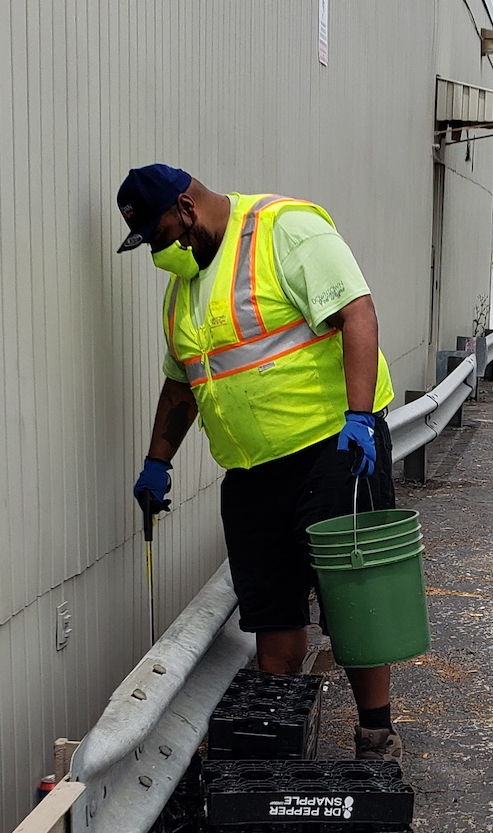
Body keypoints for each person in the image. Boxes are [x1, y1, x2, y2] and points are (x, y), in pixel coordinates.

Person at [115, 164, 403, 761]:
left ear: (188, 208)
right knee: (271, 613)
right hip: (251, 473)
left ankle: (376, 733)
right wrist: (157, 462)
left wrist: (359, 418)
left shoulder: (284, 231)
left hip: (334, 450)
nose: (159, 254)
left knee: (354, 599)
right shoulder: (183, 292)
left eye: (160, 236)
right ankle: (279, 744)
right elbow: (182, 386)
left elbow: (358, 313)